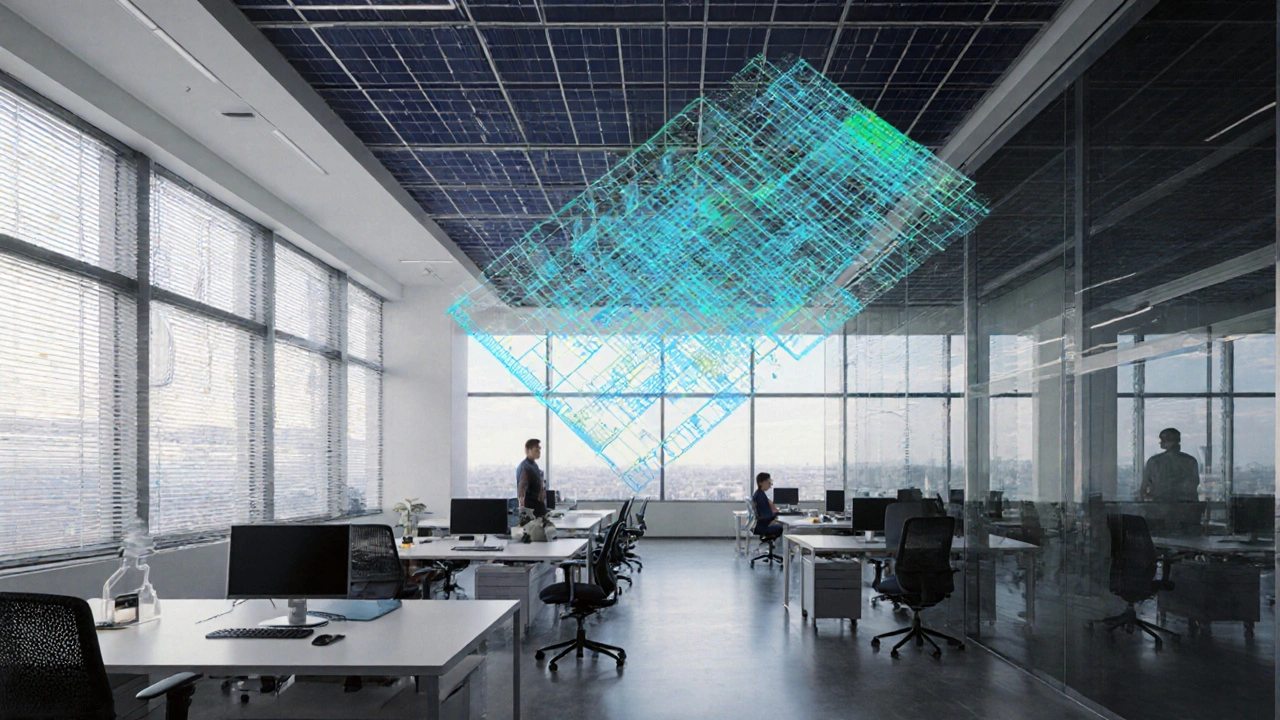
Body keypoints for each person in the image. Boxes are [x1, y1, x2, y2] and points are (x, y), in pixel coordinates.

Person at [1139, 428, 1200, 503]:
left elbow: (1144, 488)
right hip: (1185, 508)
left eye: (1162, 439)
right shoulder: (1191, 461)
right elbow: (1193, 486)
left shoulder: (1154, 461)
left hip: (1159, 507)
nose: (1160, 442)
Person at [517, 438, 547, 518]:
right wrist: (523, 514)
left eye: (539, 449)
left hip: (538, 508)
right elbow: (522, 490)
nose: (539, 452)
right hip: (531, 510)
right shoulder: (525, 467)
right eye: (536, 450)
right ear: (528, 450)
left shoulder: (534, 465)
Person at [752, 472, 784, 537]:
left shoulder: (759, 494)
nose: (770, 484)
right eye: (768, 482)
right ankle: (779, 546)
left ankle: (772, 543)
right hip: (763, 527)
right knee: (782, 527)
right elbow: (766, 515)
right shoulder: (760, 496)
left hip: (760, 525)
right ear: (760, 483)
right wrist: (777, 515)